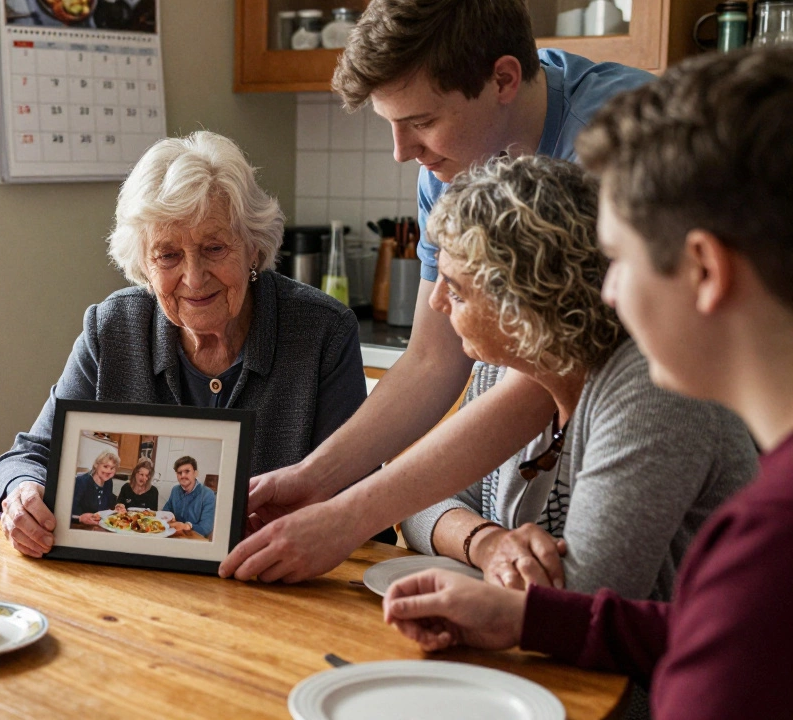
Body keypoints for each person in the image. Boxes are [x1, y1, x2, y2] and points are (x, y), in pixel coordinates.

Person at [382, 48, 793, 719]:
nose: (607, 294)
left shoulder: (766, 532)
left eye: (621, 261)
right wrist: (516, 608)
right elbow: (690, 630)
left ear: (705, 273)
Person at [222, 0, 655, 584]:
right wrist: (314, 479)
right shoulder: (452, 163)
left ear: (502, 78)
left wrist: (348, 517)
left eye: (421, 122)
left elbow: (560, 366)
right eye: (392, 125)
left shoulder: (623, 141)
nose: (403, 153)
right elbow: (432, 356)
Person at [0, 131, 370, 558]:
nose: (193, 277)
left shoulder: (323, 333)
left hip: (278, 584)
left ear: (252, 248)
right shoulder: (112, 327)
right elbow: (29, 455)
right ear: (144, 267)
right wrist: (22, 494)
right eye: (168, 255)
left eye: (214, 248)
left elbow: (360, 500)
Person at [396, 155, 754, 597]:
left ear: (522, 303)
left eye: (456, 290)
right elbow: (415, 507)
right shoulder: (501, 366)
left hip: (656, 663)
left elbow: (587, 599)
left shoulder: (651, 391)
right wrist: (488, 544)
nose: (436, 303)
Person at [162, 456, 216, 538]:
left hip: (193, 539)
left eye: (187, 471)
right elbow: (165, 512)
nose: (183, 475)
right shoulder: (175, 490)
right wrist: (167, 517)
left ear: (195, 473)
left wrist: (186, 526)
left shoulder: (208, 494)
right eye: (179, 473)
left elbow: (206, 527)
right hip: (174, 535)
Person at [72, 451, 120, 525]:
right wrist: (80, 518)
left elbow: (107, 504)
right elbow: (70, 509)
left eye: (112, 468)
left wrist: (117, 508)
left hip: (99, 525)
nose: (108, 471)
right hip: (79, 526)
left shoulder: (109, 482)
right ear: (96, 465)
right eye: (105, 466)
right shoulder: (81, 481)